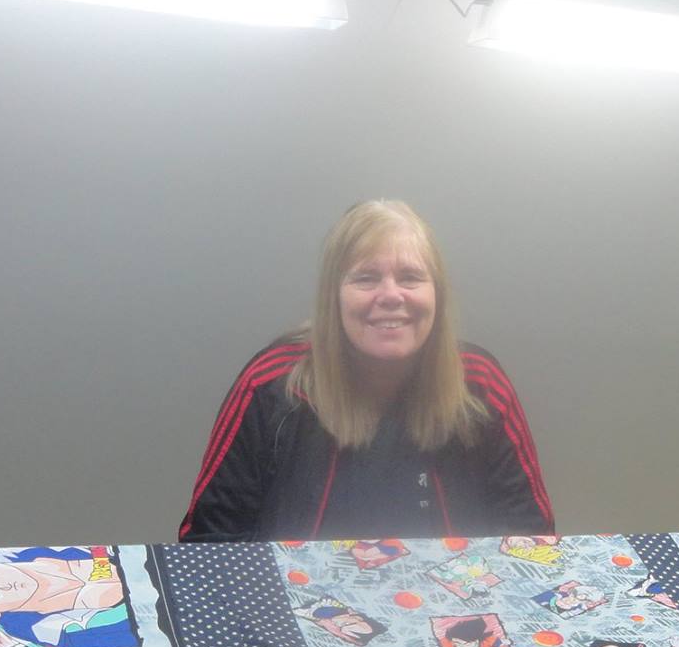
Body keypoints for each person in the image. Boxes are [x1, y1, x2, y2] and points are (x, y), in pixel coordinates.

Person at [179, 200, 552, 540]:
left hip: (460, 608)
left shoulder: (482, 384)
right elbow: (208, 543)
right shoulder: (271, 385)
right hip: (293, 610)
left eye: (410, 277)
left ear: (436, 293)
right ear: (333, 295)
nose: (391, 296)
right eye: (366, 278)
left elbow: (532, 537)